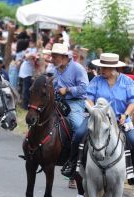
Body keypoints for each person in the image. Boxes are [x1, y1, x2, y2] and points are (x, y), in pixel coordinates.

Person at [63, 53, 134, 185]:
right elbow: (88, 99)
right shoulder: (96, 80)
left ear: (114, 69)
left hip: (121, 119)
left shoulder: (127, 82)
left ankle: (131, 173)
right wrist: (94, 110)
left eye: (104, 68)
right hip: (97, 118)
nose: (101, 70)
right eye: (100, 67)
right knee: (79, 134)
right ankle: (72, 165)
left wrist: (126, 114)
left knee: (132, 139)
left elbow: (132, 102)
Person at [48, 44, 89, 179]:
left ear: (64, 57)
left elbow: (84, 89)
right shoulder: (56, 70)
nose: (52, 59)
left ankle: (74, 162)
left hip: (75, 102)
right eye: (52, 56)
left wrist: (68, 90)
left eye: (55, 56)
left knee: (78, 128)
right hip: (57, 101)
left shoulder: (77, 68)